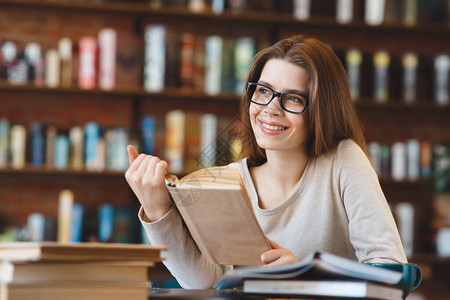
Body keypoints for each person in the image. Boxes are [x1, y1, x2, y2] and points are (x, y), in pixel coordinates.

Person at [125, 34, 407, 289]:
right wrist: (157, 210)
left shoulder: (343, 161)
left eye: (294, 98)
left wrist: (305, 278)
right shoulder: (226, 180)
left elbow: (391, 273)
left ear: (322, 109)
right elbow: (206, 283)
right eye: (263, 91)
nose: (270, 108)